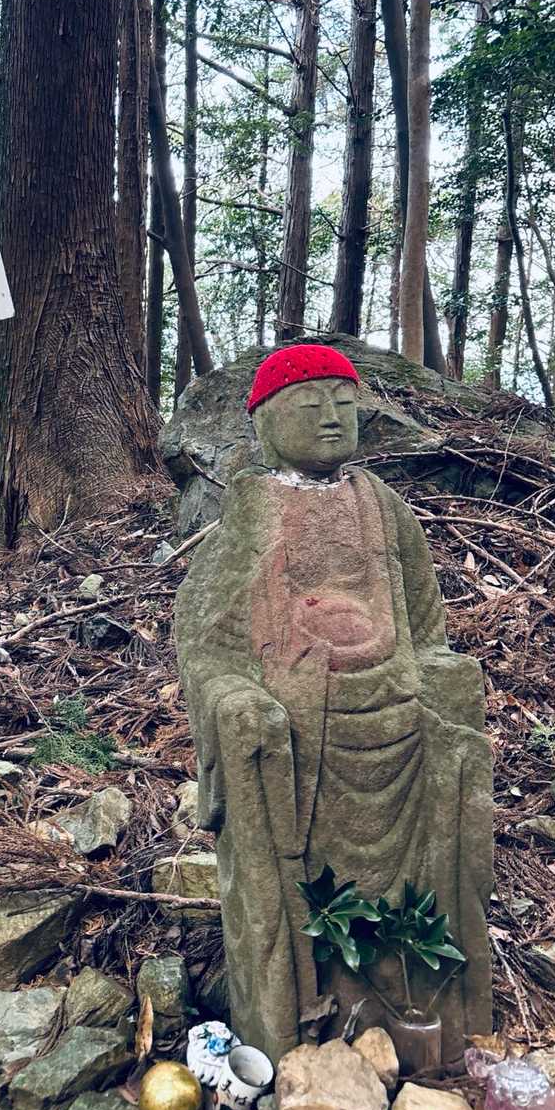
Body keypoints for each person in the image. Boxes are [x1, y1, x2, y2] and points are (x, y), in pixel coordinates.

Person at [175, 343, 493, 1064]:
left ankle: (426, 1014)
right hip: (304, 745)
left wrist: (438, 671)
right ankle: (305, 1027)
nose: (330, 418)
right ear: (265, 422)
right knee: (310, 883)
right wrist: (234, 695)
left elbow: (425, 623)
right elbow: (208, 642)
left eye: (344, 405)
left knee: (422, 858)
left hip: (399, 724)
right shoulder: (252, 515)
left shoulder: (384, 507)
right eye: (310, 405)